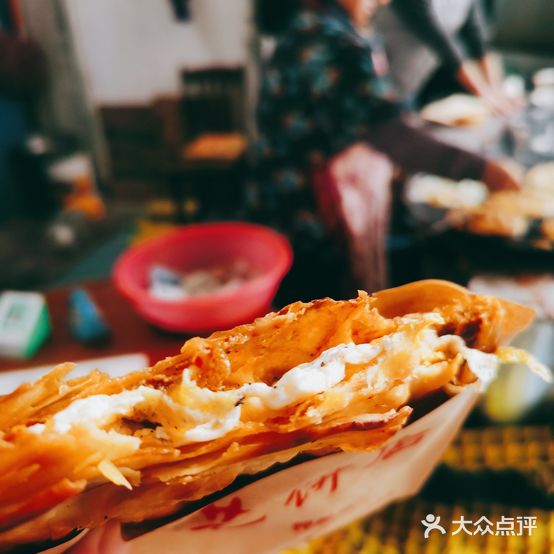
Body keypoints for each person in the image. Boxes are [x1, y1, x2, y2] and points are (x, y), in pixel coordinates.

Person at [255, 0, 520, 299]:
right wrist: (481, 170)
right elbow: (390, 133)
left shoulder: (324, 26)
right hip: (310, 211)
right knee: (324, 307)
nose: (383, 1)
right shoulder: (329, 41)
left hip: (312, 197)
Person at [376, 0, 517, 113]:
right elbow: (444, 47)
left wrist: (498, 92)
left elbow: (477, 38)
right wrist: (486, 96)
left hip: (413, 84)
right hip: (382, 87)